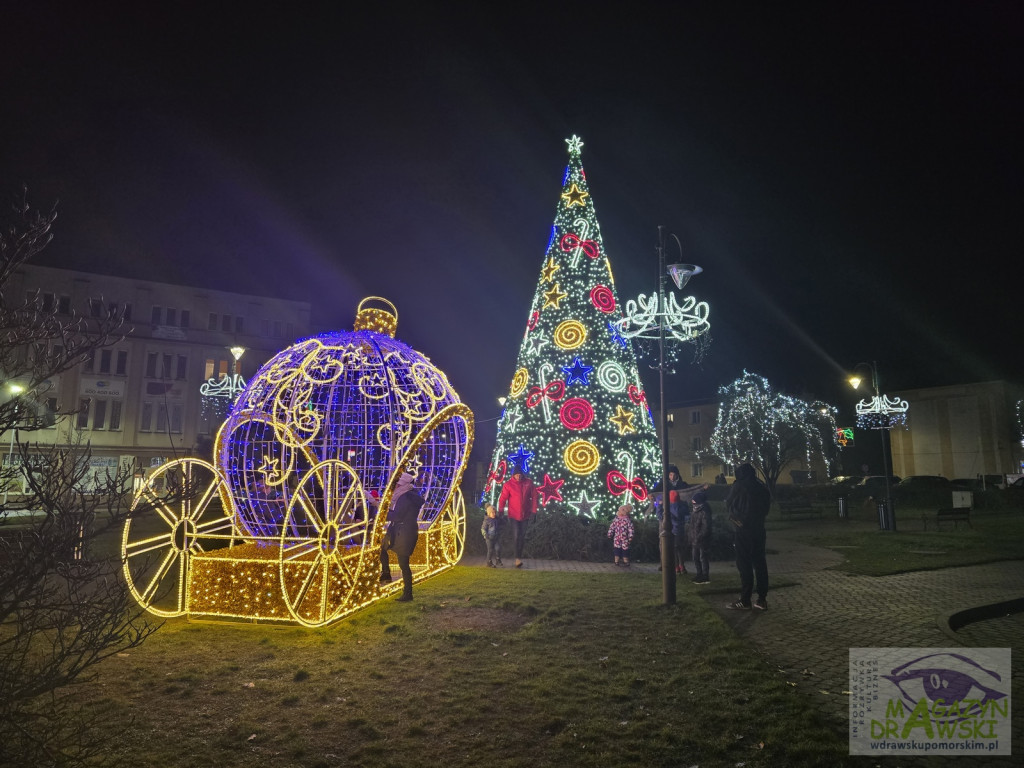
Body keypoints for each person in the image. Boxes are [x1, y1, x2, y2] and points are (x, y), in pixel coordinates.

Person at [725, 463, 771, 610]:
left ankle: (745, 599)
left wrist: (736, 518)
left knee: (744, 564)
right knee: (760, 563)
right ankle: (762, 599)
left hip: (743, 529)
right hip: (758, 529)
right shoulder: (762, 486)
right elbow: (767, 507)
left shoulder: (739, 486)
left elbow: (729, 503)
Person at [379, 471, 425, 602]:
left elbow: (398, 516)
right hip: (402, 531)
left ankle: (408, 593)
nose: (395, 487)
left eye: (397, 485)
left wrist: (384, 514)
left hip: (403, 533)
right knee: (383, 547)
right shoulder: (408, 496)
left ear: (403, 485)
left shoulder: (405, 498)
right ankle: (387, 574)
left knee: (403, 564)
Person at [497, 469, 537, 568]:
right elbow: (503, 498)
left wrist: (534, 511)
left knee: (522, 537)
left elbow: (535, 496)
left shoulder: (529, 483)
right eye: (516, 475)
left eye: (520, 475)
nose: (518, 477)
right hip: (514, 515)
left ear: (522, 475)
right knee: (516, 536)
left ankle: (519, 557)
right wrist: (501, 510)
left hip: (526, 515)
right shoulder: (508, 485)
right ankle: (517, 559)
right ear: (513, 475)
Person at [688, 489, 712, 585]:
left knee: (703, 557)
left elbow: (706, 527)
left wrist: (699, 536)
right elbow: (692, 525)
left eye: (694, 502)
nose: (693, 505)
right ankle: (699, 574)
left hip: (702, 540)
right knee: (695, 557)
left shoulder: (704, 512)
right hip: (695, 538)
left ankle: (705, 575)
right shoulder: (695, 511)